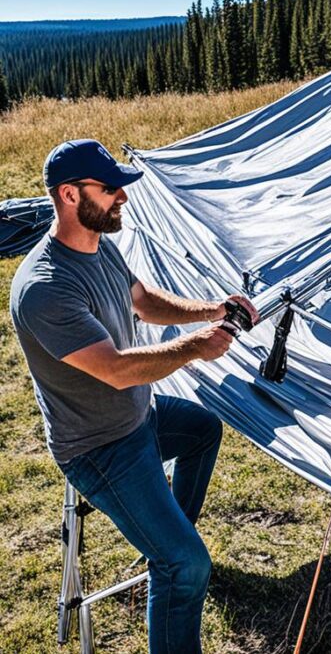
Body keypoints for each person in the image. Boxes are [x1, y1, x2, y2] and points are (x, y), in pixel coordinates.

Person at [8, 139, 258, 653]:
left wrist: (212, 310)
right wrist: (195, 347)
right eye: (110, 188)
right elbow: (117, 371)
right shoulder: (44, 288)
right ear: (70, 195)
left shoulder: (99, 246)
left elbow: (142, 301)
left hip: (140, 415)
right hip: (99, 448)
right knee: (187, 565)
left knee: (202, 431)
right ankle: (173, 559)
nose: (122, 196)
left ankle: (165, 545)